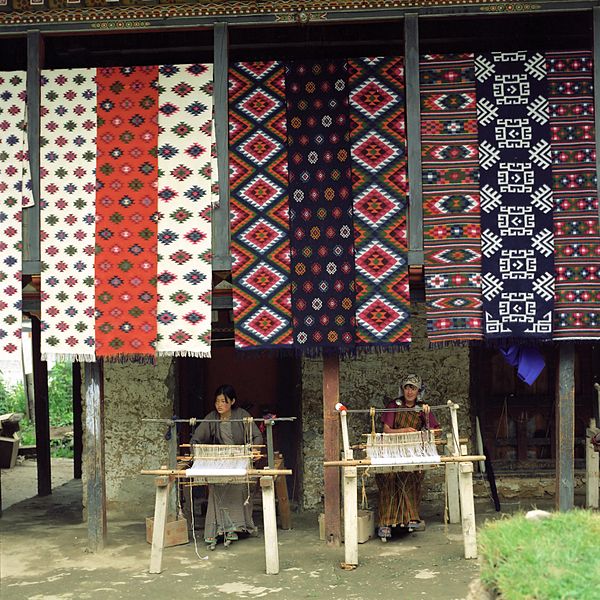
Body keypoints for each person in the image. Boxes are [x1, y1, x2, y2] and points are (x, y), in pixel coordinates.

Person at [190, 384, 262, 550]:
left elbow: (257, 436)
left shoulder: (242, 416)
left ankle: (236, 527)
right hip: (221, 463)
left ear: (232, 402)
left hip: (239, 462)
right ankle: (217, 528)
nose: (219, 405)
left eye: (223, 401)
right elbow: (196, 439)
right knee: (218, 485)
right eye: (217, 401)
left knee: (239, 485)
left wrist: (254, 450)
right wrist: (197, 453)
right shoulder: (212, 418)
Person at [375, 373, 439, 542]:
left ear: (419, 391)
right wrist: (404, 431)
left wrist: (425, 419)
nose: (410, 391)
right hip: (392, 450)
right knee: (389, 480)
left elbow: (435, 430)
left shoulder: (423, 408)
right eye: (407, 387)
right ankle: (386, 523)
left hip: (413, 451)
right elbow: (386, 430)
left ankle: (410, 518)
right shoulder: (394, 405)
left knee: (411, 480)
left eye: (413, 388)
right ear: (402, 389)